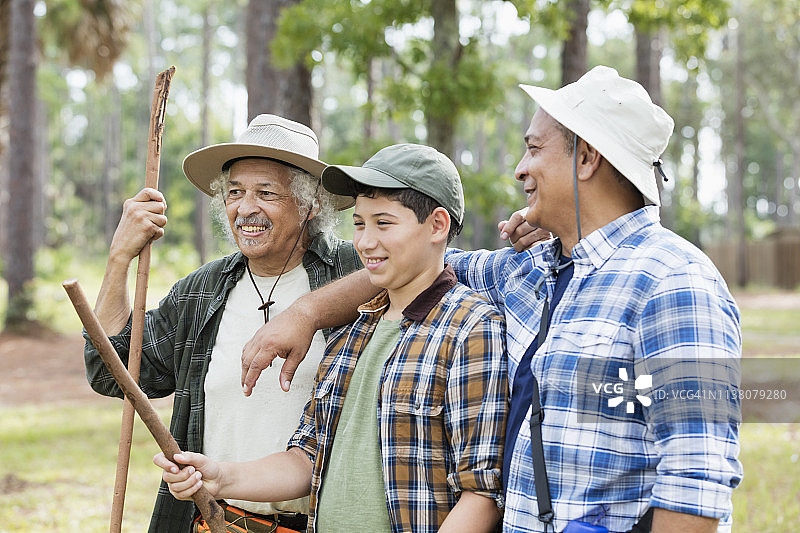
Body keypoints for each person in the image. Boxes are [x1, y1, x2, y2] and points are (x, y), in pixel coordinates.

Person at [237, 67, 743, 533]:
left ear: (586, 158)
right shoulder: (527, 272)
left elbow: (694, 481)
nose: (521, 168)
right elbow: (411, 268)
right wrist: (304, 314)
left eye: (535, 149)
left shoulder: (675, 284)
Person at [154, 143, 509, 533]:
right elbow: (306, 457)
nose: (366, 242)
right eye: (359, 224)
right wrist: (220, 476)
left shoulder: (470, 330)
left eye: (384, 224)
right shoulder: (351, 331)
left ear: (437, 226)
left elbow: (482, 493)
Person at [84, 114, 363, 533]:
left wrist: (306, 312)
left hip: (325, 522)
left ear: (311, 204)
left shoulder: (355, 270)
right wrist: (119, 258)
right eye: (235, 193)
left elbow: (429, 270)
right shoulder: (203, 290)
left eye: (266, 193)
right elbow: (114, 371)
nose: (245, 208)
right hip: (214, 522)